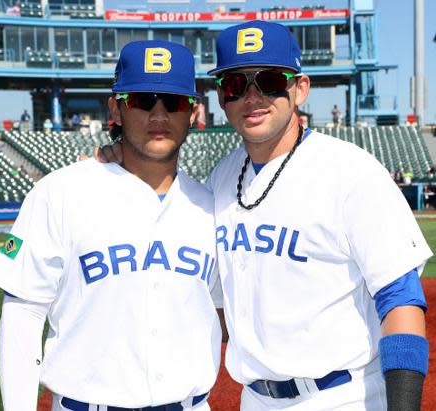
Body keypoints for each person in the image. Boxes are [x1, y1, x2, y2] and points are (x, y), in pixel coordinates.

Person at [98, 20, 431, 411]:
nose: (252, 98)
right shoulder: (222, 179)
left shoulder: (351, 172)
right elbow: (213, 307)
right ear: (221, 98)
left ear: (300, 89)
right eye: (236, 85)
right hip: (254, 399)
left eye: (270, 80)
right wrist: (118, 159)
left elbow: (401, 299)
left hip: (342, 397)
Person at [0, 40, 222, 411]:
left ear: (192, 112)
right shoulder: (60, 192)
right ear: (116, 108)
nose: (158, 115)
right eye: (142, 100)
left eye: (173, 101)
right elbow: (23, 313)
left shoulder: (211, 206)